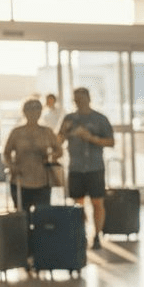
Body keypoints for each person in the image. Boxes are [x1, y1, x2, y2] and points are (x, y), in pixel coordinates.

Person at [58, 87, 114, 250]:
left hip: (95, 167)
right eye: (75, 100)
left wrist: (91, 138)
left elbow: (111, 142)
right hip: (76, 167)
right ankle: (80, 234)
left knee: (97, 202)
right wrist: (64, 131)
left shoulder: (100, 119)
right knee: (77, 204)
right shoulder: (69, 119)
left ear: (88, 98)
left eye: (81, 99)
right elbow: (58, 141)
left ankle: (97, 235)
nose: (78, 102)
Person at [2, 97, 62, 215]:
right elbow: (6, 153)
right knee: (22, 215)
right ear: (24, 112)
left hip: (42, 180)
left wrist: (51, 156)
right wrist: (11, 165)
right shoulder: (17, 132)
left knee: (42, 216)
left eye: (37, 109)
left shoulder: (47, 132)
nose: (34, 113)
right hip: (20, 180)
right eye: (30, 110)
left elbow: (59, 151)